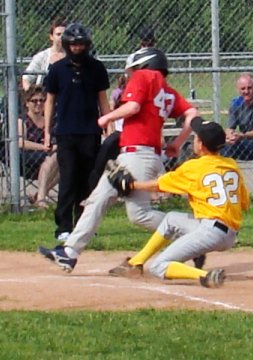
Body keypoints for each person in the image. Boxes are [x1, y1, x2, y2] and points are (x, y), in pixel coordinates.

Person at [38, 47, 199, 272]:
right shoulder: (167, 90)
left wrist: (106, 118)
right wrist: (176, 143)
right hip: (136, 155)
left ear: (145, 65)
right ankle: (69, 252)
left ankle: (195, 233)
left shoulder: (144, 76)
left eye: (133, 69)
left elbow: (132, 107)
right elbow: (192, 114)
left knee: (140, 214)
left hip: (137, 156)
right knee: (97, 199)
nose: (131, 74)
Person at [107, 117, 250, 288]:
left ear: (201, 145)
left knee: (159, 266)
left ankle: (206, 276)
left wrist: (130, 184)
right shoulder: (231, 165)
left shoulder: (194, 167)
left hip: (211, 231)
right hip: (229, 233)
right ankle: (135, 264)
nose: (194, 140)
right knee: (171, 219)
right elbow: (244, 204)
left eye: (196, 137)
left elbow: (158, 185)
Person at [43, 22, 110, 240]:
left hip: (90, 131)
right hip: (66, 132)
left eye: (81, 45)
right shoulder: (57, 69)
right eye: (73, 45)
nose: (77, 48)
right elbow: (50, 101)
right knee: (69, 178)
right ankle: (63, 226)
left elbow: (103, 99)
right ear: (66, 45)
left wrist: (108, 127)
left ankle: (85, 225)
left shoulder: (96, 68)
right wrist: (47, 132)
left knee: (88, 180)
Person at [18, 85, 59, 208]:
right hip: (28, 157)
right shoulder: (22, 121)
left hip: (50, 155)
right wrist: (43, 147)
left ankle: (39, 196)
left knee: (64, 159)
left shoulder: (49, 120)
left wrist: (54, 147)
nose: (38, 103)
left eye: (42, 100)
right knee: (50, 159)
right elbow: (21, 143)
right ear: (27, 103)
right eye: (34, 101)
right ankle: (41, 198)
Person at [21, 17, 67, 91]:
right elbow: (26, 79)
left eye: (64, 34)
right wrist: (34, 97)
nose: (61, 37)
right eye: (58, 34)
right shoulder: (42, 56)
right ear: (51, 37)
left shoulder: (73, 56)